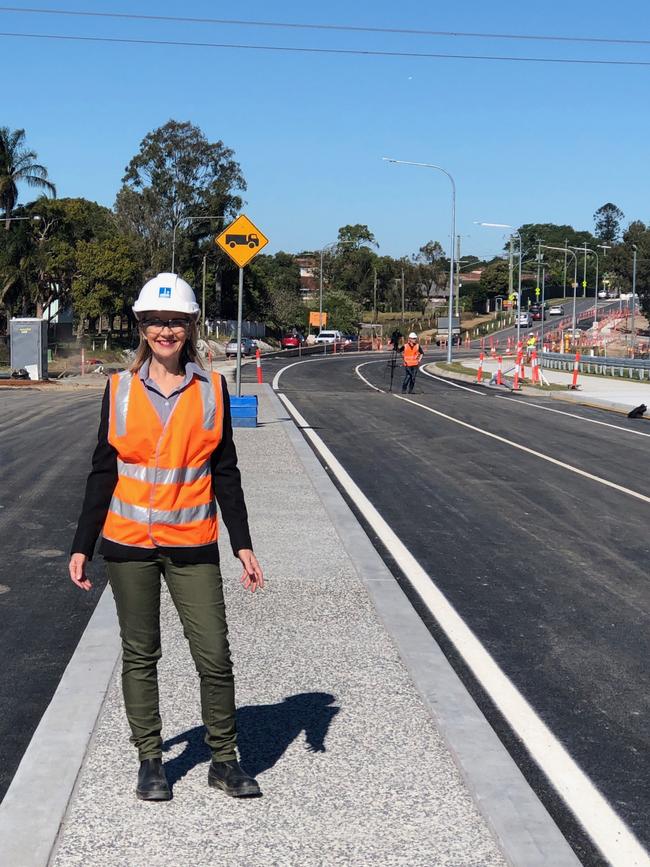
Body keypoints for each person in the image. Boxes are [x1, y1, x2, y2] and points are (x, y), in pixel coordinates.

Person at [69, 273, 264, 803]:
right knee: (141, 652)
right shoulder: (118, 389)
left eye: (176, 321)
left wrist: (242, 542)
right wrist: (82, 546)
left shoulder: (213, 390)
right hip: (129, 543)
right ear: (142, 326)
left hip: (193, 545)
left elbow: (225, 470)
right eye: (156, 321)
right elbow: (101, 472)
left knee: (214, 654)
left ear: (190, 326)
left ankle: (224, 760)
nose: (165, 330)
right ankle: (151, 760)